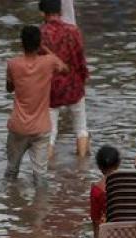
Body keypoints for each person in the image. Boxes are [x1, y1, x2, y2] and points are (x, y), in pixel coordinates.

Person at [5, 26, 68, 183]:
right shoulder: (49, 62)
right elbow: (65, 69)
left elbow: (9, 88)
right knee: (40, 176)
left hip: (18, 127)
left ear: (22, 43)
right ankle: (41, 206)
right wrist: (45, 49)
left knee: (12, 170)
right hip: (41, 128)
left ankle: (10, 202)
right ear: (39, 43)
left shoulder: (13, 64)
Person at [41, 0, 91, 158]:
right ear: (61, 12)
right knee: (81, 129)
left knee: (50, 134)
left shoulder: (41, 34)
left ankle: (47, 170)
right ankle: (82, 167)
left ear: (42, 13)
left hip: (51, 89)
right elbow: (80, 59)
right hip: (73, 85)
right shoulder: (73, 31)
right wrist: (83, 78)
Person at [91, 145, 120, 238]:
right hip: (127, 229)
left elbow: (96, 220)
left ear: (99, 166)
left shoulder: (96, 189)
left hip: (107, 233)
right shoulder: (127, 183)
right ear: (118, 164)